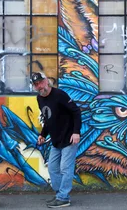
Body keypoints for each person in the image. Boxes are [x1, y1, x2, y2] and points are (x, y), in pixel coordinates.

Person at [32, 72, 81, 208]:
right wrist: (43, 135)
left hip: (69, 138)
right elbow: (48, 119)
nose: (39, 86)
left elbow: (76, 112)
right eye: (36, 84)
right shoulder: (39, 99)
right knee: (53, 168)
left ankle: (63, 197)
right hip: (56, 140)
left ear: (47, 81)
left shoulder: (59, 95)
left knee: (65, 167)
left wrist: (76, 132)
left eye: (41, 82)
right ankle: (61, 195)